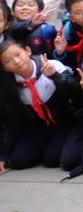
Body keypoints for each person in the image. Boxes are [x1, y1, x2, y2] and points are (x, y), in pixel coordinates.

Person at [0, 39, 77, 171]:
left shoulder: (51, 65)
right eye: (8, 61)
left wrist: (55, 76)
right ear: (4, 68)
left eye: (18, 54)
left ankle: (53, 148)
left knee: (52, 159)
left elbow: (75, 91)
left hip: (64, 121)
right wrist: (3, 154)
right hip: (38, 126)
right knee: (18, 161)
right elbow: (10, 120)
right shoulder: (9, 84)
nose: (16, 61)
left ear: (28, 51)